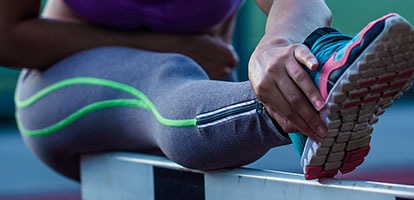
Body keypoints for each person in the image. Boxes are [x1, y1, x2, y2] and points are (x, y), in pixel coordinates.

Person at [4, 0, 413, 181]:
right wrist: (176, 46)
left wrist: (279, 44)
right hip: (61, 99)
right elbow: (7, 35)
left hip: (196, 107)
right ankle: (293, 108)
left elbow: (301, 2)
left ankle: (315, 74)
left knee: (180, 78)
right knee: (166, 73)